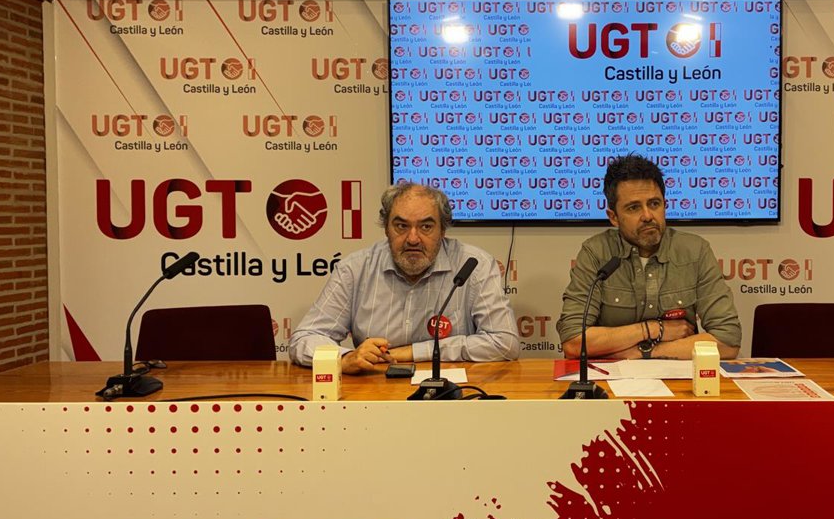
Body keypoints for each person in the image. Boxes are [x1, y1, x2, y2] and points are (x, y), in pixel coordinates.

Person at [289, 182, 520, 373]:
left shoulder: (473, 266)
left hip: (453, 397)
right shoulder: (355, 269)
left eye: (426, 227)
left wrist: (413, 352)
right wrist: (345, 357)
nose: (413, 239)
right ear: (386, 228)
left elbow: (505, 342)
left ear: (443, 230)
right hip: (376, 396)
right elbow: (305, 338)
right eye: (401, 226)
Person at [557, 154, 741, 360]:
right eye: (634, 207)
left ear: (665, 205)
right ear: (613, 217)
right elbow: (574, 342)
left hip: (679, 377)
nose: (647, 216)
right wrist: (652, 329)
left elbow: (727, 341)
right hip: (611, 377)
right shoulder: (597, 252)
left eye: (654, 204)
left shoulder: (694, 251)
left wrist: (645, 352)